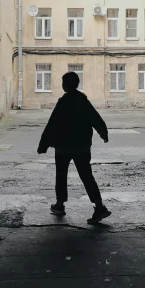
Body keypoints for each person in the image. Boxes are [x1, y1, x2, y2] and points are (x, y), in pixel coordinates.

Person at [37, 71, 112, 224]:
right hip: (82, 146)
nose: (62, 85)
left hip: (63, 146)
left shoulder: (63, 102)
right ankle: (99, 206)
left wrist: (43, 144)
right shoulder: (82, 100)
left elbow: (52, 124)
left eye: (63, 82)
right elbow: (95, 118)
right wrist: (103, 133)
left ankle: (60, 204)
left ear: (67, 85)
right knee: (86, 176)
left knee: (61, 175)